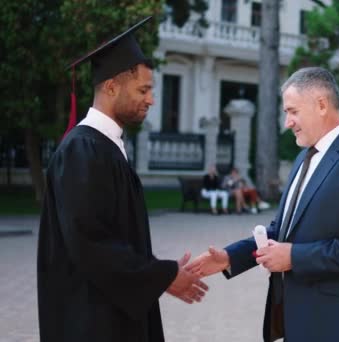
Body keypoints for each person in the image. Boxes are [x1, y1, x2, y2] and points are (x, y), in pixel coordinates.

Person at [192, 67, 339, 342]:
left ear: (321, 105)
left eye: (292, 111)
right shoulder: (304, 158)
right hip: (298, 319)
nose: (287, 121)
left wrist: (295, 257)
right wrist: (231, 258)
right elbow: (282, 231)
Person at [37, 17, 208, 342]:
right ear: (111, 87)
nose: (151, 99)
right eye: (143, 90)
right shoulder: (82, 149)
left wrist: (158, 273)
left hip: (111, 313)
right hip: (91, 321)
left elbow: (115, 237)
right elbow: (91, 243)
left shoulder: (105, 147)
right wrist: (162, 275)